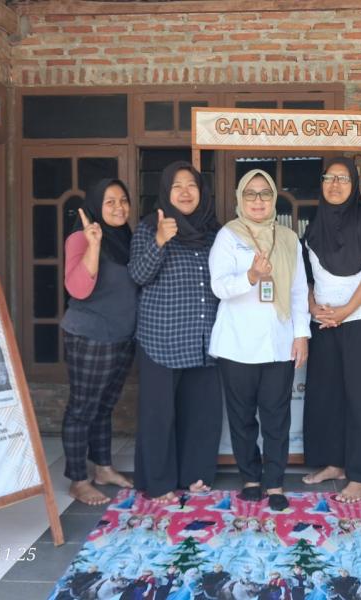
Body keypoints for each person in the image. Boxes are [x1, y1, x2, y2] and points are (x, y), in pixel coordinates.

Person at [209, 169, 310, 512]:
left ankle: (275, 481)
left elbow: (298, 292)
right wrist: (251, 276)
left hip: (277, 342)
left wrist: (301, 335)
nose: (257, 200)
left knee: (276, 417)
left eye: (265, 193)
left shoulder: (289, 239)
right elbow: (219, 286)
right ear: (240, 198)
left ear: (273, 199)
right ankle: (251, 478)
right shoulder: (228, 236)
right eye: (250, 193)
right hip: (237, 343)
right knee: (241, 417)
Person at [130, 161, 222, 503]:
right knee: (159, 415)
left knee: (201, 413)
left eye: (191, 185)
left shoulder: (214, 232)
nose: (185, 192)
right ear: (166, 192)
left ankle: (195, 475)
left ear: (202, 191)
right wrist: (159, 240)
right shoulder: (148, 227)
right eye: (177, 186)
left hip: (204, 337)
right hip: (162, 337)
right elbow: (138, 275)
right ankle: (159, 482)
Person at [301, 157, 361, 503]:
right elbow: (306, 277)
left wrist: (346, 310)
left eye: (343, 179)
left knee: (360, 398)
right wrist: (313, 307)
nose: (335, 184)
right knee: (328, 396)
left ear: (354, 185)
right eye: (329, 178)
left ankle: (360, 474)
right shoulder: (315, 224)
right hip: (325, 323)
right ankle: (335, 464)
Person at [60, 178, 137, 505]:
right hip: (90, 335)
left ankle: (103, 468)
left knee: (104, 407)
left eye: (123, 200)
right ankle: (78, 479)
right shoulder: (81, 236)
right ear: (95, 205)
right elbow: (78, 288)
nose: (119, 207)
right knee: (82, 408)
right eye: (110, 202)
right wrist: (93, 246)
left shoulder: (125, 237)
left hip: (121, 336)